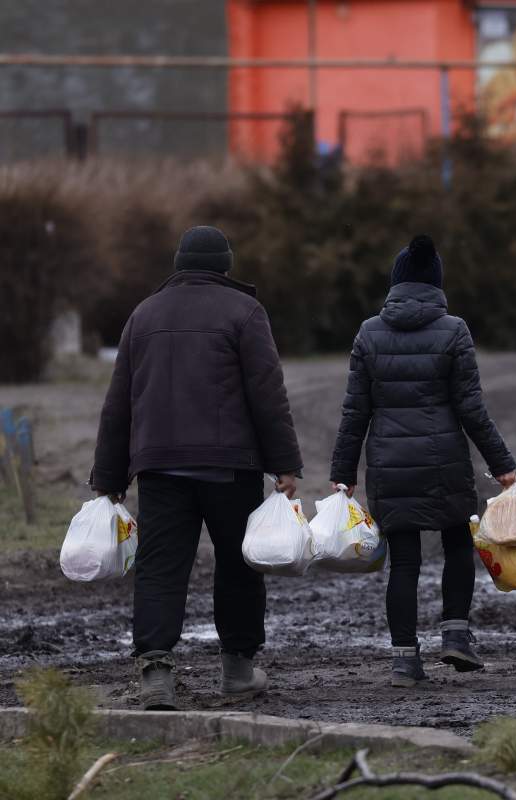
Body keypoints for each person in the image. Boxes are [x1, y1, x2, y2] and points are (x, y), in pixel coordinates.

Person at [90, 226, 302, 711]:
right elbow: (268, 395)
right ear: (226, 266)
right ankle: (238, 670)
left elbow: (119, 402)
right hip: (230, 468)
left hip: (161, 469)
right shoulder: (245, 311)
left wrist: (109, 477)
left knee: (160, 569)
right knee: (239, 566)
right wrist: (284, 465)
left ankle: (156, 675)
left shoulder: (143, 314)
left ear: (178, 265)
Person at [330, 235, 516, 688]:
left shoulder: (368, 333)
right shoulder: (454, 330)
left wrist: (342, 473)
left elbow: (355, 411)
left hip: (389, 464)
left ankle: (403, 660)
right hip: (443, 461)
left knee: (405, 561)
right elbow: (471, 407)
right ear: (437, 284)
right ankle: (455, 634)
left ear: (396, 284)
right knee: (457, 543)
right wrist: (502, 465)